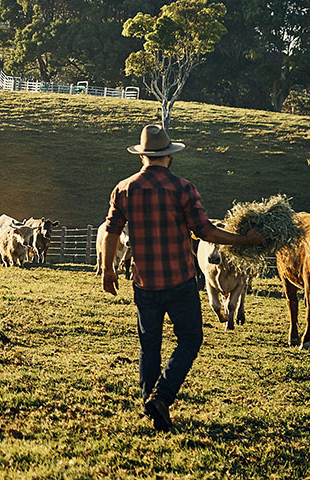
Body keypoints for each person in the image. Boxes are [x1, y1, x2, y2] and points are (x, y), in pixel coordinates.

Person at [102, 124, 263, 432]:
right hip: (179, 279)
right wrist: (246, 241)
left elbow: (111, 231)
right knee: (190, 339)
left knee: (150, 345)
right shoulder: (183, 188)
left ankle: (152, 406)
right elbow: (205, 231)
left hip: (144, 281)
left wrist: (108, 269)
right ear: (169, 156)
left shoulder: (124, 188)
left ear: (143, 156)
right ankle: (161, 397)